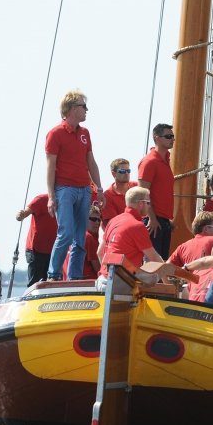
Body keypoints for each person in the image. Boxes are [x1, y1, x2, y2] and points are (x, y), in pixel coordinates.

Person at [45, 89, 105, 281]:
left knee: (80, 238)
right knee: (66, 233)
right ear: (71, 109)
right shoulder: (55, 134)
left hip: (84, 190)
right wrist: (51, 196)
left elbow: (91, 162)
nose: (86, 110)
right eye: (83, 106)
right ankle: (53, 274)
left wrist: (99, 188)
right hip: (64, 190)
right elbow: (50, 165)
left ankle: (74, 277)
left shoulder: (85, 133)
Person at [95, 187, 163, 288]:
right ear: (140, 204)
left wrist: (107, 275)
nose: (149, 207)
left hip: (102, 281)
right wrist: (168, 283)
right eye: (148, 203)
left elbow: (100, 253)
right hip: (119, 284)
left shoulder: (113, 221)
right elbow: (155, 259)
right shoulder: (137, 226)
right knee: (154, 275)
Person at [138, 123, 176, 259]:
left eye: (172, 136)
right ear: (156, 138)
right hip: (153, 221)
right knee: (152, 265)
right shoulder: (150, 162)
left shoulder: (165, 161)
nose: (172, 139)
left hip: (162, 220)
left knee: (161, 262)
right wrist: (152, 219)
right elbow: (142, 193)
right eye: (168, 136)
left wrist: (166, 220)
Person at [167, 211, 213, 296]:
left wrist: (171, 290)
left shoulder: (183, 246)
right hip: (210, 293)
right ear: (206, 229)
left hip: (189, 293)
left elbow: (166, 268)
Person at [15, 193, 58, 286]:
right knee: (34, 282)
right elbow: (26, 212)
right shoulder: (41, 199)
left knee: (51, 283)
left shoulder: (66, 202)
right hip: (35, 249)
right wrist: (21, 215)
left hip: (54, 250)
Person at [62, 207, 102, 279]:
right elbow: (98, 268)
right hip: (86, 284)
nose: (97, 222)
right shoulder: (88, 237)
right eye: (93, 219)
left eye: (99, 220)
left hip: (67, 283)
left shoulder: (68, 235)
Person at [100, 158, 137, 229]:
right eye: (122, 171)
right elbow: (112, 224)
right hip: (121, 232)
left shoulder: (136, 187)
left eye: (128, 171)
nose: (126, 173)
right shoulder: (108, 196)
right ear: (113, 174)